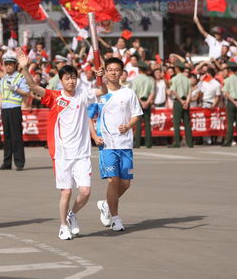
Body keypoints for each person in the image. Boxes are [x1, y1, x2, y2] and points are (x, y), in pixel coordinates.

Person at [17, 48, 106, 240]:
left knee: (85, 191)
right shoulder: (56, 97)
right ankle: (63, 226)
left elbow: (103, 91)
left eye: (73, 77)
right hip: (63, 154)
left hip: (82, 153)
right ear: (61, 81)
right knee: (66, 191)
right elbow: (33, 87)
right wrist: (25, 69)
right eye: (67, 78)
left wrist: (101, 77)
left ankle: (72, 214)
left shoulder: (83, 94)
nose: (71, 81)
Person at [89, 57, 142, 231]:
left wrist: (128, 125)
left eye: (116, 69)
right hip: (107, 144)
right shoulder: (99, 94)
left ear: (122, 72)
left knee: (125, 183)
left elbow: (136, 114)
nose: (113, 72)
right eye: (110, 69)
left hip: (125, 144)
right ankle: (116, 218)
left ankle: (105, 204)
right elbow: (88, 118)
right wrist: (95, 136)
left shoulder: (128, 93)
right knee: (113, 181)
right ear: (105, 71)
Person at [0, 52, 29, 171]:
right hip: (5, 109)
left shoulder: (20, 77)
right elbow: (1, 94)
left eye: (10, 64)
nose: (8, 66)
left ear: (15, 65)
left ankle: (19, 162)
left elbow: (27, 93)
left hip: (15, 109)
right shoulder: (3, 79)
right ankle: (7, 162)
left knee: (16, 136)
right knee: (7, 136)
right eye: (6, 64)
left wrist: (16, 89)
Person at [168, 60, 193, 148]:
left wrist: (181, 101)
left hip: (178, 102)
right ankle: (190, 143)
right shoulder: (187, 79)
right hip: (186, 101)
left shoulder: (174, 79)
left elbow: (174, 91)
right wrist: (186, 101)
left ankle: (177, 142)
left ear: (177, 68)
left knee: (177, 122)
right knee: (187, 122)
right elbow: (190, 91)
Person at [131, 61, 154, 148]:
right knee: (147, 122)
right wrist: (147, 102)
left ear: (139, 69)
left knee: (138, 123)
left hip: (139, 101)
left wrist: (141, 102)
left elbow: (134, 92)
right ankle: (148, 143)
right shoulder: (150, 79)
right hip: (147, 100)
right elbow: (152, 93)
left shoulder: (136, 79)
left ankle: (137, 143)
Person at [222, 62, 237, 147]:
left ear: (229, 70)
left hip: (231, 102)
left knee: (230, 123)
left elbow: (226, 93)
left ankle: (228, 141)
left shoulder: (227, 80)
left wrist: (234, 102)